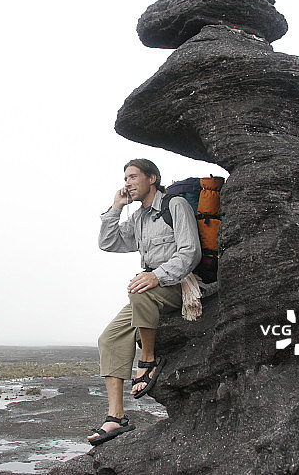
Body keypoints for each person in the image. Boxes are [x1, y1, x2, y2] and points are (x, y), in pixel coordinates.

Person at [87, 158, 201, 446]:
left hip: (180, 284)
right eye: (125, 178)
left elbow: (190, 253)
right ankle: (116, 418)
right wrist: (116, 207)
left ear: (152, 178)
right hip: (151, 289)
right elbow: (108, 242)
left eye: (133, 176)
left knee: (139, 290)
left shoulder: (174, 206)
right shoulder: (138, 218)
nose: (127, 183)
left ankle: (148, 360)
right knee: (109, 339)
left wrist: (157, 276)